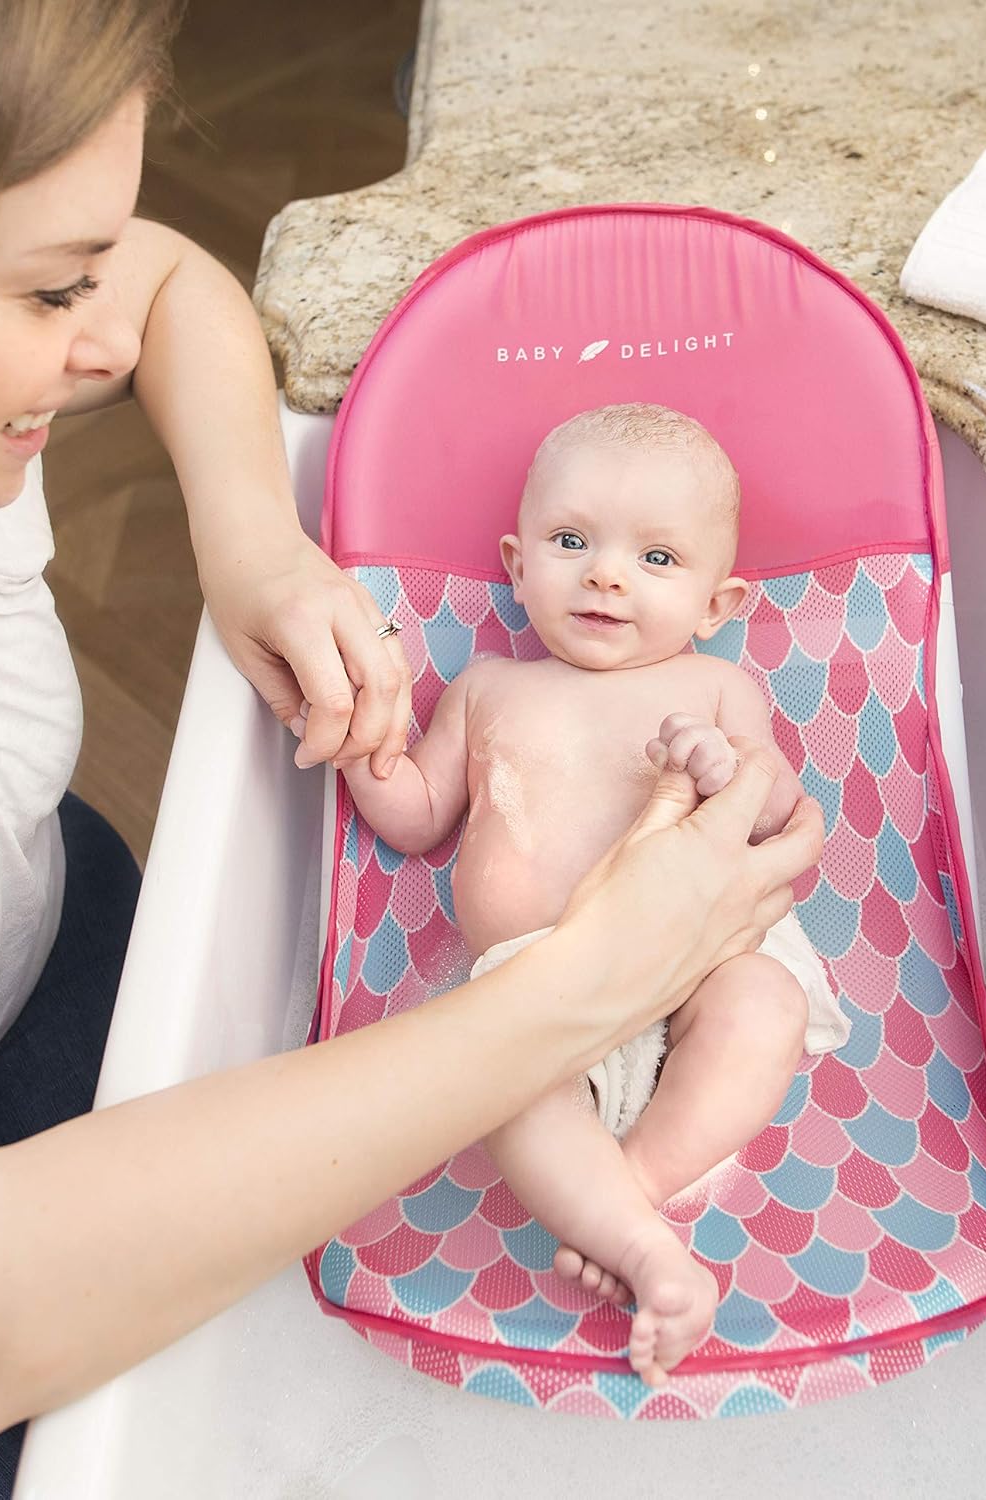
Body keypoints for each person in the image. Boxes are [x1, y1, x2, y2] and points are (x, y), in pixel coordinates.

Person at [0, 4, 824, 1495]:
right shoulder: (499, 688)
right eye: (52, 294)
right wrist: (588, 984)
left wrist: (253, 542)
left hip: (61, 959)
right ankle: (623, 1210)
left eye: (86, 272)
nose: (101, 333)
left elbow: (166, 283)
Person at [338, 404, 848, 1386]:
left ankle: (629, 1198)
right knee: (499, 1079)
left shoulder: (712, 686)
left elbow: (782, 818)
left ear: (717, 602)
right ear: (518, 563)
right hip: (538, 992)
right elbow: (415, 815)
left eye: (657, 559)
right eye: (572, 541)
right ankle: (648, 1247)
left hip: (702, 959)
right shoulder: (487, 688)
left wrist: (723, 761)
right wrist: (367, 737)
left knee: (766, 1004)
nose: (607, 573)